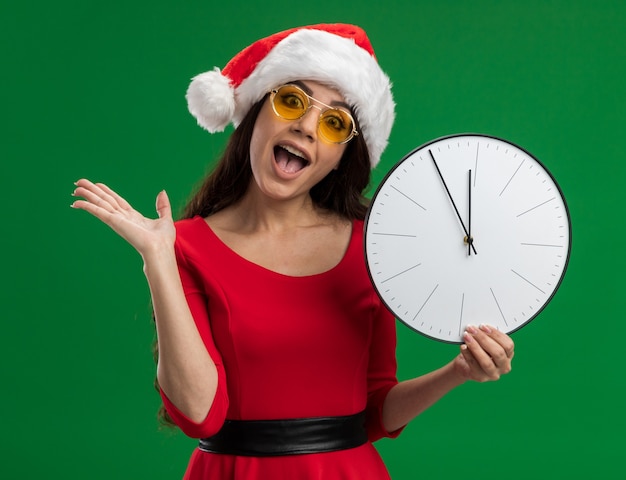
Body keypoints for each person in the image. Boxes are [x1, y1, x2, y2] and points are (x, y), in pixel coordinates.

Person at [72, 24, 514, 479]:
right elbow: (201, 415)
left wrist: (459, 371)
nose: (306, 126)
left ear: (344, 155)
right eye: (291, 102)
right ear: (255, 113)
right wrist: (158, 261)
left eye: (334, 122)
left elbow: (377, 410)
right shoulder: (183, 245)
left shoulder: (372, 244)